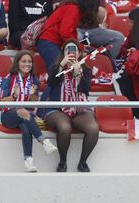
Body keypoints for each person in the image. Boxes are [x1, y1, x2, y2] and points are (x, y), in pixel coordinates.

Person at [40, 39, 99, 172]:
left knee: (93, 128)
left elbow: (85, 90)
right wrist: (62, 65)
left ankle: (83, 162)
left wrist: (78, 74)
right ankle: (62, 162)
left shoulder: (86, 69)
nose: (71, 52)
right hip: (56, 108)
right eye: (68, 49)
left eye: (74, 50)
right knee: (65, 127)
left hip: (79, 108)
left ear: (79, 53)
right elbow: (51, 82)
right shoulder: (55, 67)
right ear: (64, 52)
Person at [0, 50, 58, 172]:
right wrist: (14, 96)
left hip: (26, 117)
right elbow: (2, 101)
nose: (27, 64)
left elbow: (35, 101)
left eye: (29, 62)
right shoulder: (10, 78)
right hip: (8, 115)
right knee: (23, 112)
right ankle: (44, 141)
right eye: (24, 61)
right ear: (18, 63)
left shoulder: (34, 80)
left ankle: (28, 161)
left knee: (25, 127)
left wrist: (32, 95)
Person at [36, 0, 81, 72]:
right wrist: (79, 47)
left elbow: (69, 32)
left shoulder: (70, 7)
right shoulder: (73, 8)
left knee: (61, 73)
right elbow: (65, 32)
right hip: (49, 42)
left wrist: (78, 47)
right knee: (57, 73)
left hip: (50, 42)